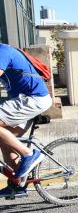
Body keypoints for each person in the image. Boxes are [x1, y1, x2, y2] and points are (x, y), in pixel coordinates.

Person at [0, 43, 53, 197]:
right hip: (27, 100)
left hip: (32, 99)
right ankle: (18, 184)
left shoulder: (3, 51)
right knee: (4, 140)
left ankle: (29, 155)